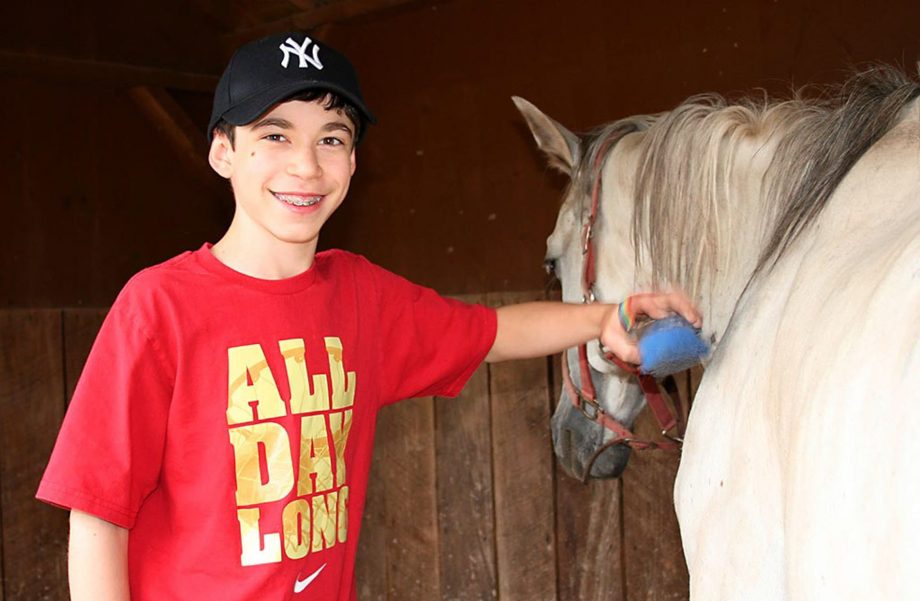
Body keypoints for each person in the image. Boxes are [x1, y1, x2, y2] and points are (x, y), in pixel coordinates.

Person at [37, 32, 701, 600]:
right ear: (222, 151)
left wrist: (605, 316)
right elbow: (97, 515)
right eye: (275, 133)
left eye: (332, 138)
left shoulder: (359, 295)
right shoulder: (159, 305)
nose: (305, 163)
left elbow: (493, 333)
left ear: (352, 162)